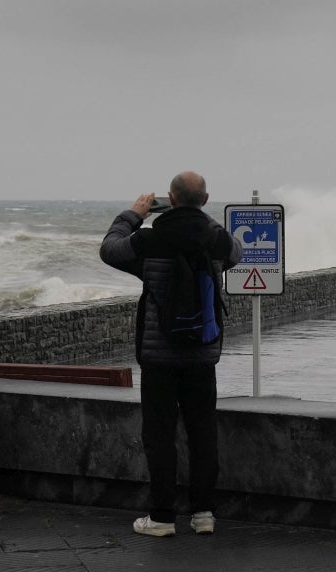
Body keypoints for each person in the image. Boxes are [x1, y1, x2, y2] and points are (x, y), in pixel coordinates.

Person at [100, 171, 242, 537]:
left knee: (160, 436)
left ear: (170, 199)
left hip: (159, 358)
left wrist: (135, 214)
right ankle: (203, 514)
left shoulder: (149, 239)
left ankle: (162, 517)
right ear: (205, 201)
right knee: (202, 433)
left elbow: (110, 249)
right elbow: (236, 253)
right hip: (201, 355)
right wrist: (199, 215)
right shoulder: (215, 240)